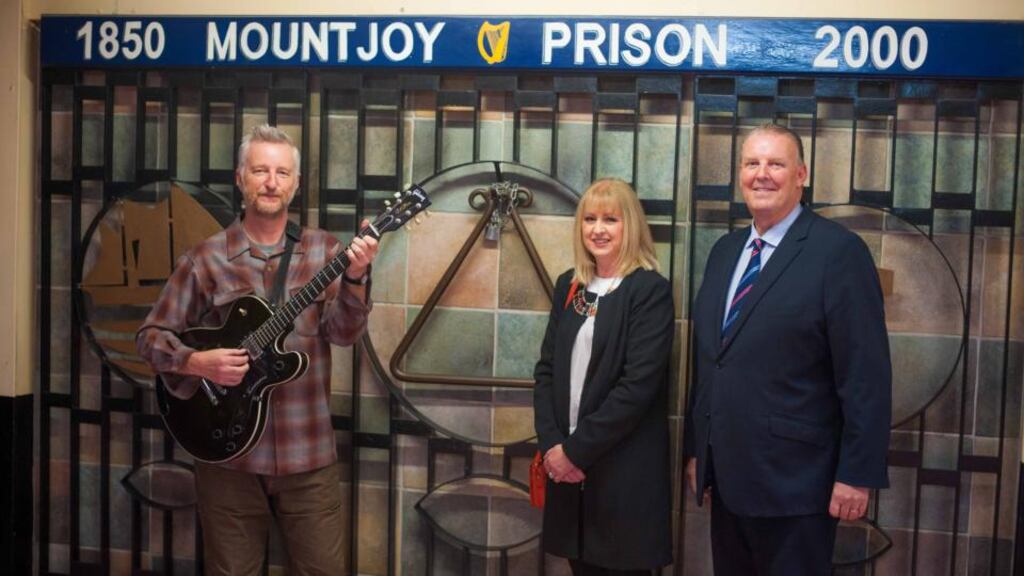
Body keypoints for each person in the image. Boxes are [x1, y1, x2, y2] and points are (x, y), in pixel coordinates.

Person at [136, 124, 378, 574]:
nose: (271, 182)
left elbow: (344, 334)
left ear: (296, 184)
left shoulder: (325, 251)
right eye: (260, 170)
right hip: (227, 458)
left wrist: (356, 277)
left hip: (307, 454)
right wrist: (195, 362)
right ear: (240, 178)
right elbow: (149, 339)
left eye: (282, 173)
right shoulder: (205, 258)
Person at [684, 123, 892, 575]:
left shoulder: (839, 252)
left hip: (798, 485)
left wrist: (857, 474)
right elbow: (712, 362)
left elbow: (865, 374)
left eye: (775, 164)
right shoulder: (725, 251)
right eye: (751, 163)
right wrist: (700, 450)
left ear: (801, 175)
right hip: (729, 479)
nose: (762, 174)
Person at [533, 178, 674, 575]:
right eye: (589, 219)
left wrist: (574, 452)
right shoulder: (570, 286)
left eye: (610, 219)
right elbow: (546, 371)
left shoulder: (649, 291)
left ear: (631, 226)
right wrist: (552, 446)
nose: (598, 229)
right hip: (567, 473)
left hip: (622, 475)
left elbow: (636, 388)